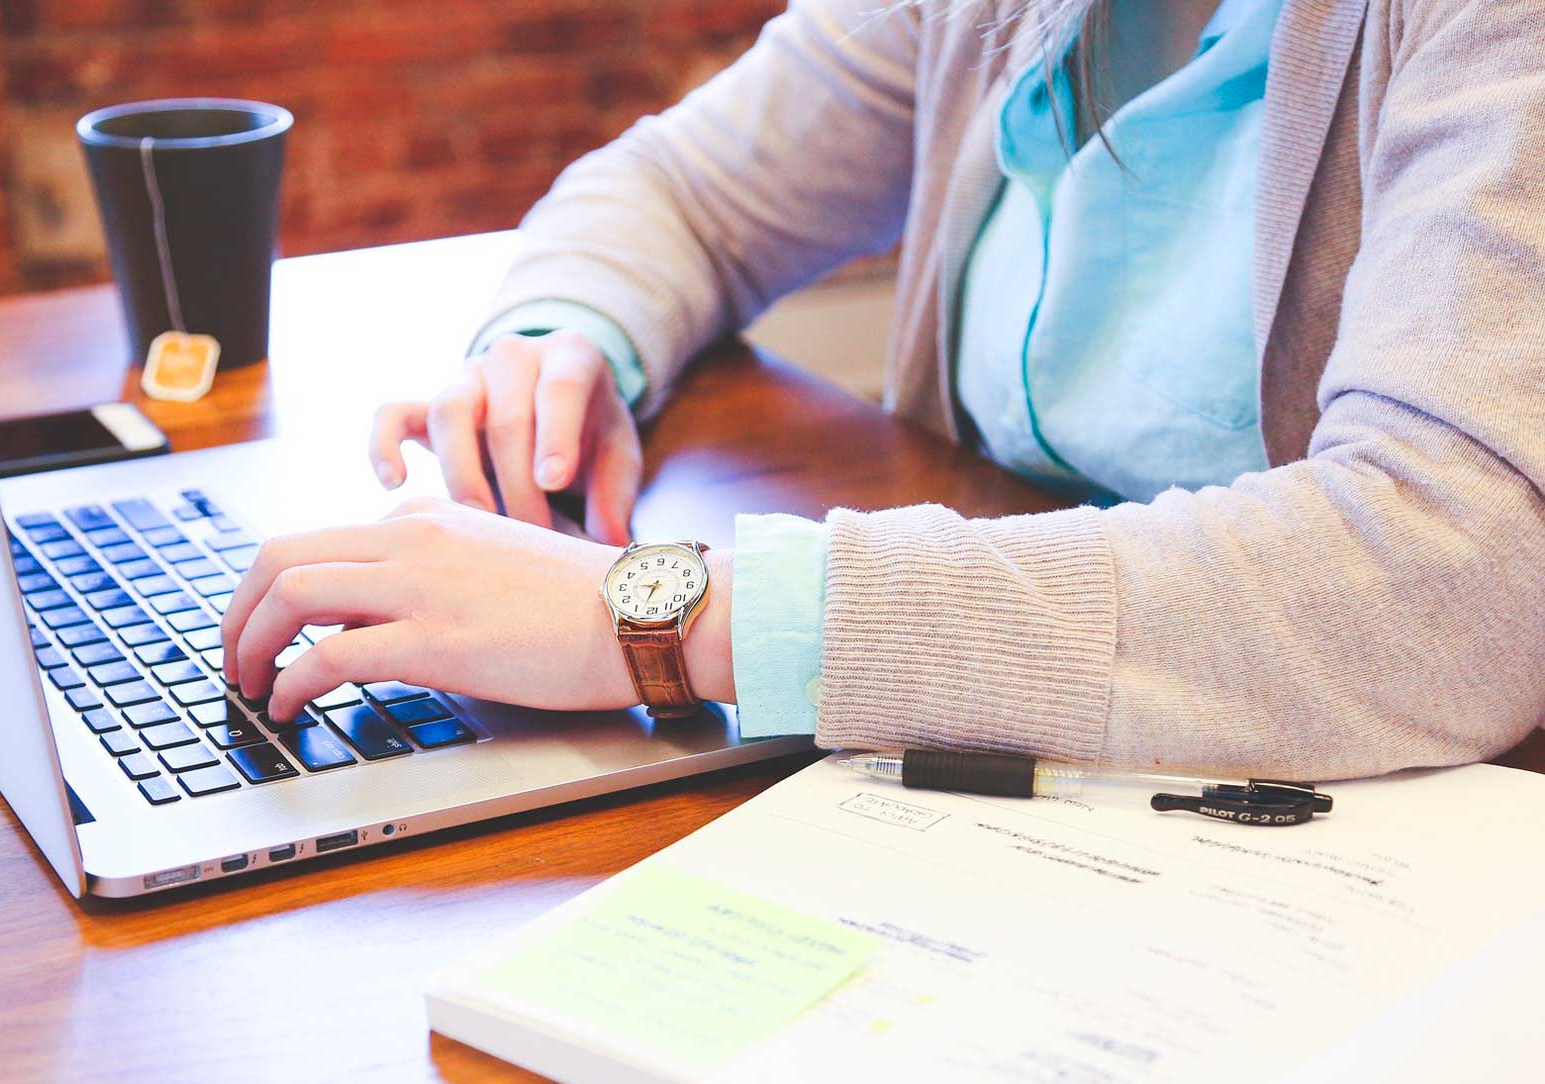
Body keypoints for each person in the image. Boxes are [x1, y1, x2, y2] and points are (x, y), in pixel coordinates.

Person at [222, 0, 1545, 778]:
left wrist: (663, 618)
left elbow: (1456, 572)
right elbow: (685, 189)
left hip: (1364, 829)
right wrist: (563, 340)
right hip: (1027, 778)